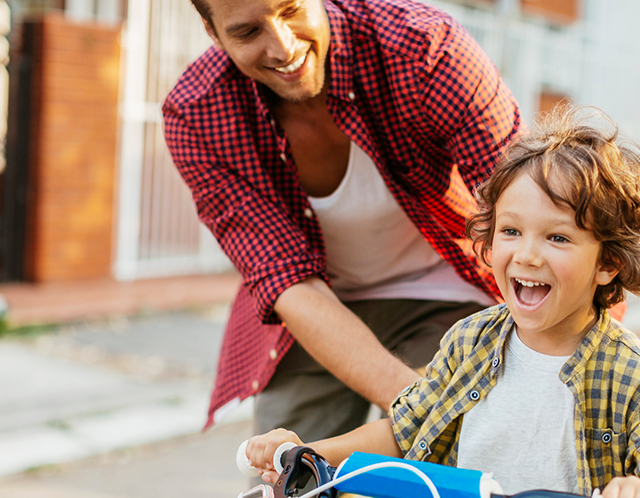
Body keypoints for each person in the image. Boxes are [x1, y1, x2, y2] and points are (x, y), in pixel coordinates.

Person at [162, 0, 522, 439]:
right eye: (248, 32)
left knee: (455, 458)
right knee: (288, 474)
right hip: (318, 311)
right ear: (212, 32)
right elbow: (284, 281)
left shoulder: (424, 48)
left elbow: (521, 207)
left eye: (291, 10)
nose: (282, 47)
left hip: (452, 293)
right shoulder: (197, 113)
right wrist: (423, 409)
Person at [243, 106, 640, 497]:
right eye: (511, 231)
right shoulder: (470, 341)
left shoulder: (630, 373)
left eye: (557, 238)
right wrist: (307, 453)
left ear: (607, 263)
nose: (527, 255)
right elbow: (404, 429)